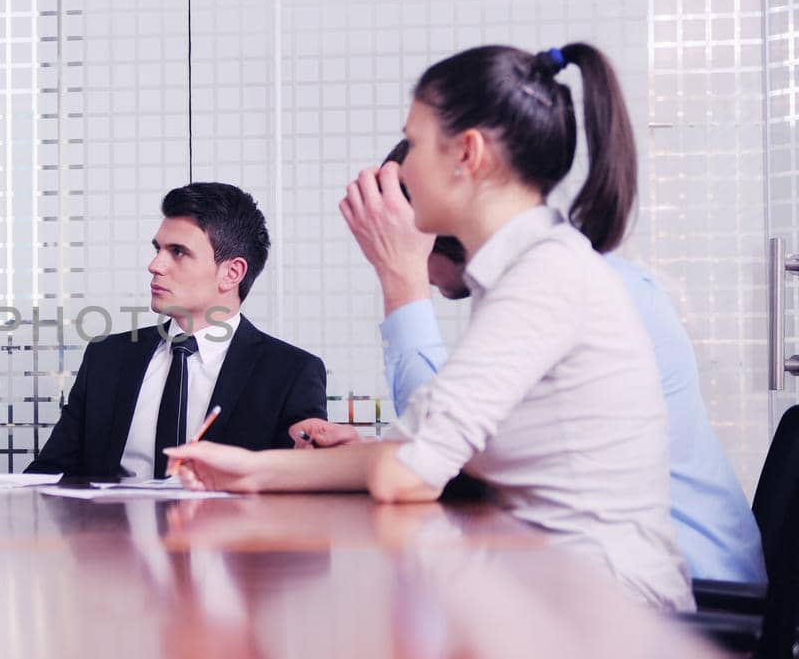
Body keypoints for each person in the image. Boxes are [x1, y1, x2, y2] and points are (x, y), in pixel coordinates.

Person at [168, 44, 694, 611]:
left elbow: (406, 475)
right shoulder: (522, 272)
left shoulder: (544, 278)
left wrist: (263, 470)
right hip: (547, 588)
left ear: (467, 154)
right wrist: (250, 470)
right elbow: (418, 452)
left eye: (413, 143)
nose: (399, 169)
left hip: (606, 607)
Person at [308, 140, 765, 585]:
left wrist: (401, 276)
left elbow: (452, 466)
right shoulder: (536, 284)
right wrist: (374, 453)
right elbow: (467, 442)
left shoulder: (579, 287)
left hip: (695, 593)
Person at [27, 182, 326, 479]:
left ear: (231, 273)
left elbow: (302, 485)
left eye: (178, 252)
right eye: (158, 249)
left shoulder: (290, 373)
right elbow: (50, 473)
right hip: (113, 526)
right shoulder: (107, 357)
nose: (155, 265)